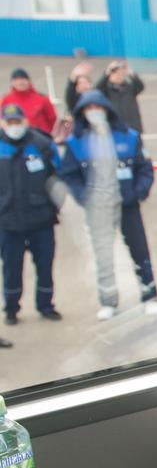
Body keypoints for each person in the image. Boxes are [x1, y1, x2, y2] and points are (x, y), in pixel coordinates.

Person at [58, 90, 157, 319]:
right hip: (98, 210)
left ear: (106, 109)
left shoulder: (129, 136)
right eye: (88, 109)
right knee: (103, 255)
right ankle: (108, 301)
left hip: (127, 205)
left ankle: (149, 295)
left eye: (97, 108)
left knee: (139, 250)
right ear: (82, 113)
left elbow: (145, 168)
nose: (94, 113)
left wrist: (138, 192)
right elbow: (69, 174)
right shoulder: (76, 142)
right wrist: (84, 197)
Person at [0, 104, 62, 326]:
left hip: (41, 220)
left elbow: (57, 177)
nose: (14, 126)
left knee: (45, 266)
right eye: (10, 122)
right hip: (8, 222)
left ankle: (46, 305)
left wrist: (56, 207)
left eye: (18, 121)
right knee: (11, 269)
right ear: (3, 124)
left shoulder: (42, 144)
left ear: (25, 121)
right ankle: (11, 309)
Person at [94, 60, 145, 133]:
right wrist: (107, 72)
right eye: (115, 74)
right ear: (109, 76)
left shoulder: (130, 88)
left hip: (132, 126)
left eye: (120, 74)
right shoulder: (106, 90)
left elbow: (141, 86)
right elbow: (97, 89)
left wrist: (130, 73)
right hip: (114, 128)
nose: (118, 76)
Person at [2, 69, 57, 135]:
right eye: (16, 80)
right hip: (15, 138)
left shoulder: (42, 99)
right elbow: (2, 120)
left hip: (39, 138)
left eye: (23, 79)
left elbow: (52, 118)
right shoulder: (6, 100)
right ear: (12, 83)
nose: (20, 82)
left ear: (29, 81)